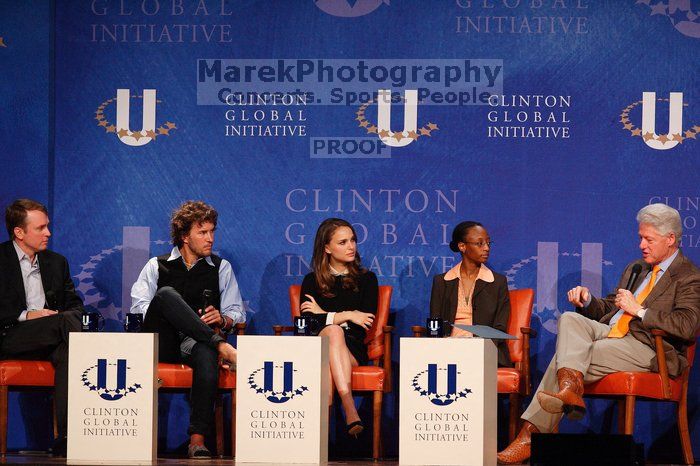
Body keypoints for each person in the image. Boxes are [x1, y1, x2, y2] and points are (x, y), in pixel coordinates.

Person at [497, 204, 700, 464]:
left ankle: (529, 436)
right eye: (640, 237)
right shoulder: (637, 268)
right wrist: (588, 300)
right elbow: (612, 308)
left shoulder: (688, 276)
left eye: (648, 239)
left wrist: (640, 311)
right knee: (571, 318)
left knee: (568, 356)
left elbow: (687, 325)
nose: (641, 245)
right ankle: (569, 388)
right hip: (610, 332)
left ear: (670, 239)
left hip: (648, 347)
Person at [130, 200, 244, 459]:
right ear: (184, 236)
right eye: (202, 233)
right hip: (162, 341)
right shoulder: (156, 266)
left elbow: (237, 312)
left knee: (205, 353)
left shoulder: (220, 267)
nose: (210, 239)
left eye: (212, 231)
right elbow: (140, 310)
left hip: (197, 342)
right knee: (166, 295)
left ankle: (197, 439)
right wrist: (176, 315)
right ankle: (222, 346)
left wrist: (223, 319)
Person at [0, 199, 83, 457]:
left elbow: (75, 305)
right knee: (66, 325)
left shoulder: (57, 262)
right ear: (19, 232)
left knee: (68, 350)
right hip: (10, 335)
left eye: (47, 227)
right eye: (41, 228)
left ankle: (69, 437)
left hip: (53, 335)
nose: (48, 233)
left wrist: (58, 317)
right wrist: (30, 315)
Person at [299, 218, 378, 437]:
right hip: (317, 349)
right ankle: (349, 406)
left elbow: (367, 319)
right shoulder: (311, 281)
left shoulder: (367, 279)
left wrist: (324, 315)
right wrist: (348, 315)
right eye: (342, 242)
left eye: (353, 240)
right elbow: (307, 323)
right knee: (332, 334)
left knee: (333, 333)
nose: (351, 246)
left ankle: (318, 438)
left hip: (352, 349)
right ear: (327, 248)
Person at [430, 221, 512, 367]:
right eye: (480, 244)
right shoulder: (442, 281)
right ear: (462, 246)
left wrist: (476, 349)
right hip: (447, 350)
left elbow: (500, 327)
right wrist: (438, 348)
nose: (486, 248)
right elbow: (435, 324)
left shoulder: (498, 282)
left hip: (484, 352)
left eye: (488, 243)